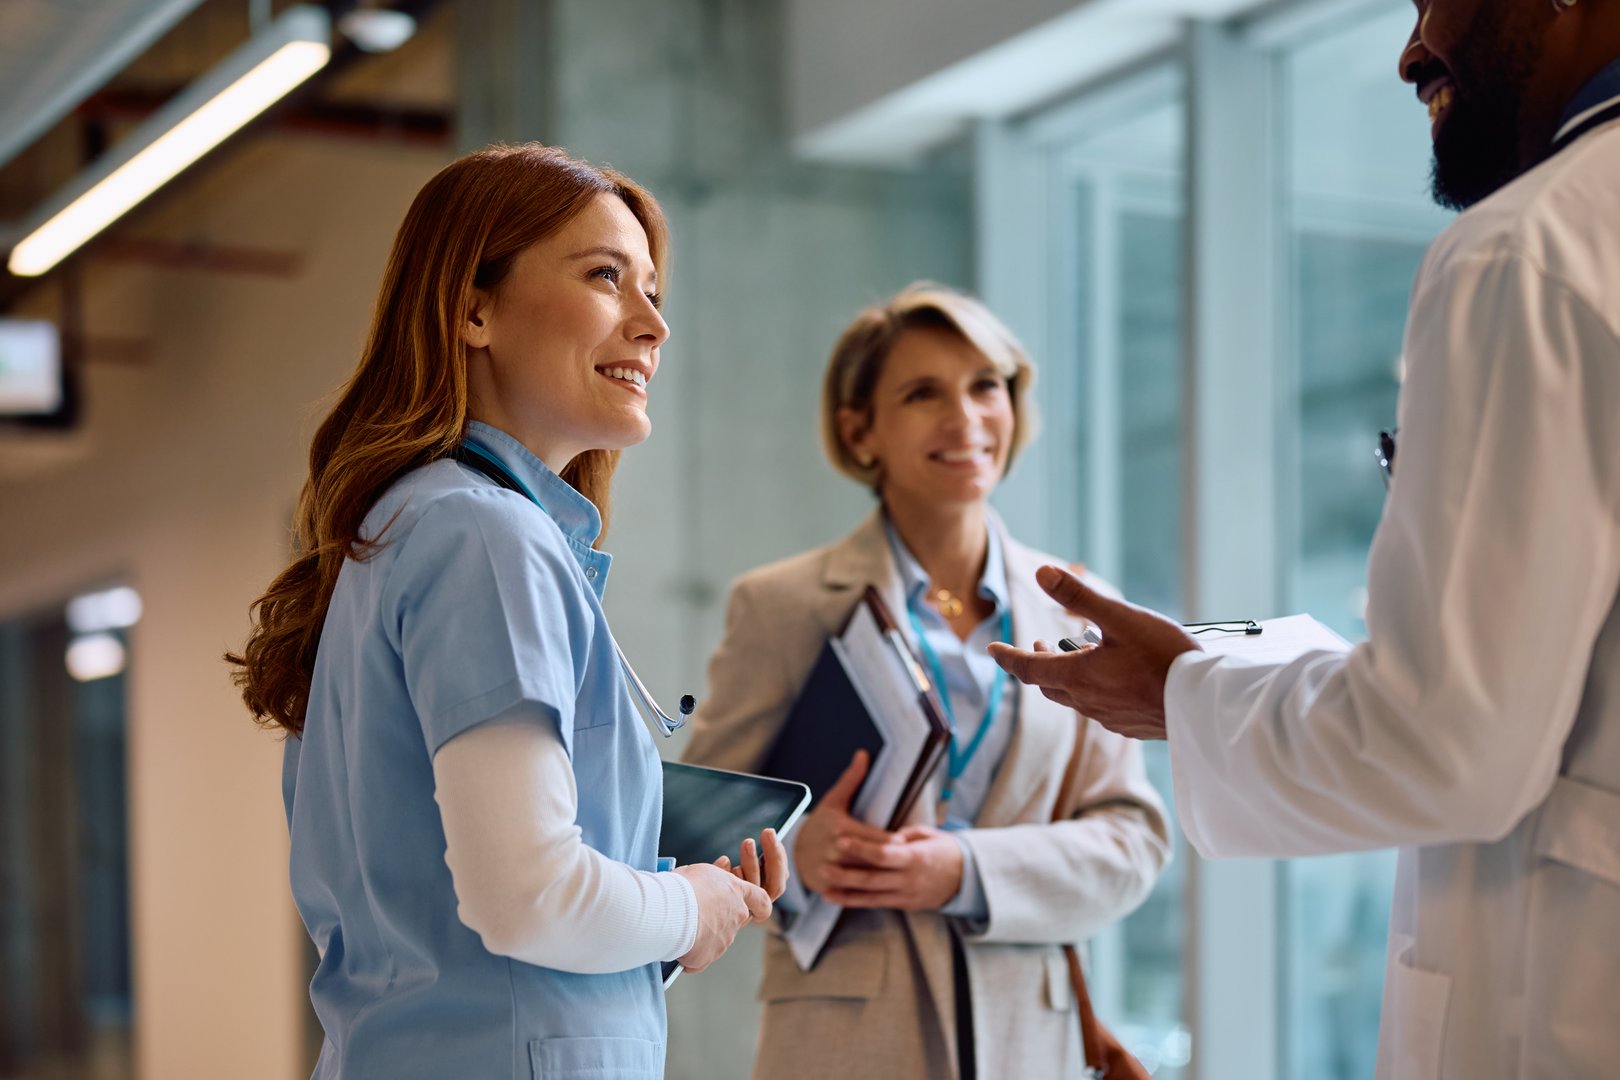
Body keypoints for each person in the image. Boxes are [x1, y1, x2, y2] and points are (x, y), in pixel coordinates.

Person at [989, 4, 1620, 1077]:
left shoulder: (1528, 250)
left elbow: (1448, 743)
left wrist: (1182, 692)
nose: (1413, 49)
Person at [227, 144, 785, 1080]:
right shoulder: (482, 535)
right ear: (472, 308)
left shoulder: (408, 525)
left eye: (653, 291)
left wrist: (666, 925)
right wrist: (689, 902)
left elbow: (475, 920)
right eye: (607, 277)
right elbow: (527, 895)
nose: (654, 326)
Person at [683, 283, 1170, 1079]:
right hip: (844, 1046)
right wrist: (798, 852)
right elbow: (703, 823)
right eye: (922, 393)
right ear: (859, 430)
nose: (966, 417)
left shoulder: (1081, 605)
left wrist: (968, 869)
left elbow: (1134, 841)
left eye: (987, 386)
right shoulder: (782, 606)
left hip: (1030, 1045)